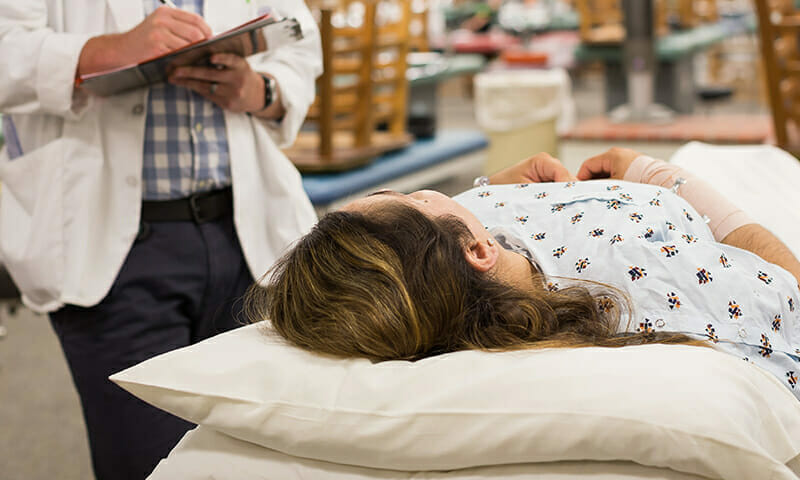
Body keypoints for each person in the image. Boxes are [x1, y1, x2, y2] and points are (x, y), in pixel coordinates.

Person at [0, 0, 321, 479]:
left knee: (255, 462)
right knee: (151, 468)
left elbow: (300, 53)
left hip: (244, 237)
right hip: (117, 249)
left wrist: (258, 89)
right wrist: (111, 49)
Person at [253, 148, 800, 401]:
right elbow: (787, 289)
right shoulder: (647, 276)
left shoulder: (448, 287)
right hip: (717, 204)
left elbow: (427, 241)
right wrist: (659, 176)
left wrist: (496, 189)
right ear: (477, 252)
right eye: (418, 195)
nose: (442, 195)